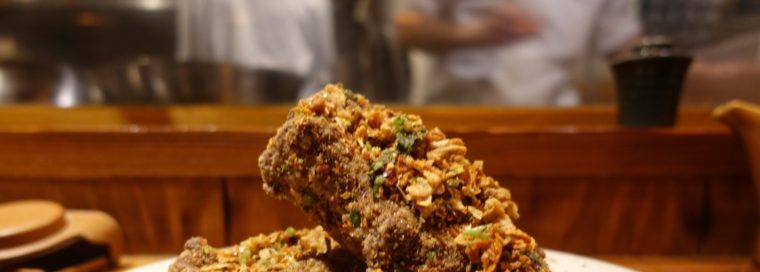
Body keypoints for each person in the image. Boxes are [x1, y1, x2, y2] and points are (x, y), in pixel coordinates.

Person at [394, 0, 642, 105]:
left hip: (554, 119)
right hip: (462, 115)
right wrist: (472, 33)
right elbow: (406, 28)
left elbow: (624, 44)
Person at [176, 0, 336, 99]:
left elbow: (321, 79)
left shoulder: (313, 4)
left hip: (292, 116)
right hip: (212, 116)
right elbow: (188, 70)